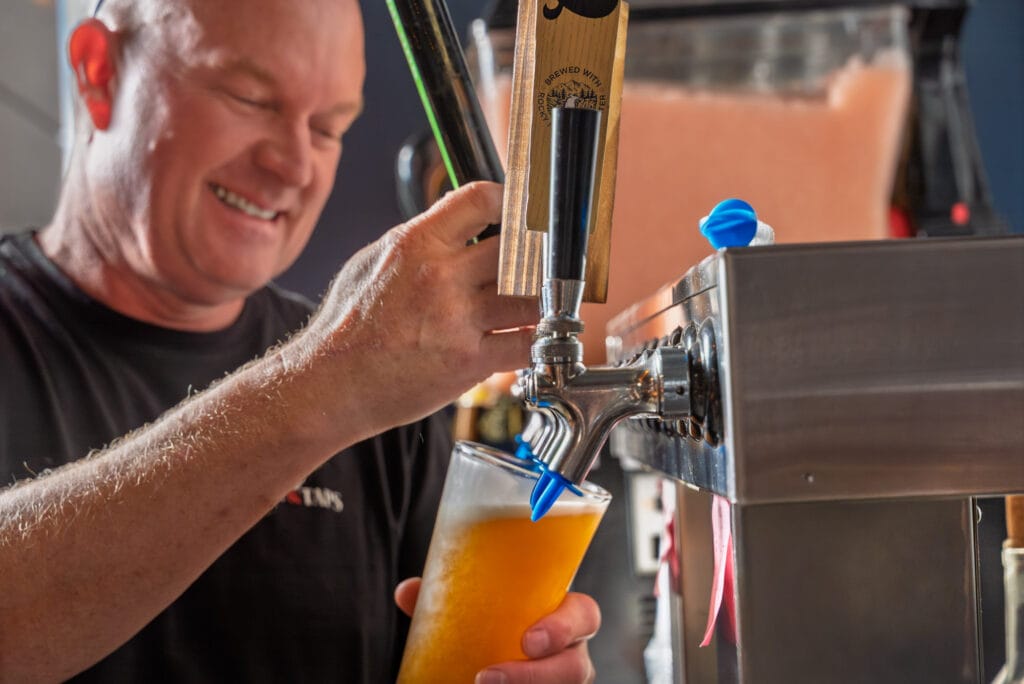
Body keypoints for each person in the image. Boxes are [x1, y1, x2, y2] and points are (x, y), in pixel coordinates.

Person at [0, 0, 601, 682]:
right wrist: (327, 383)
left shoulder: (381, 388)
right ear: (99, 72)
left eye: (327, 128)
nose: (292, 165)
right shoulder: (352, 372)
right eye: (249, 98)